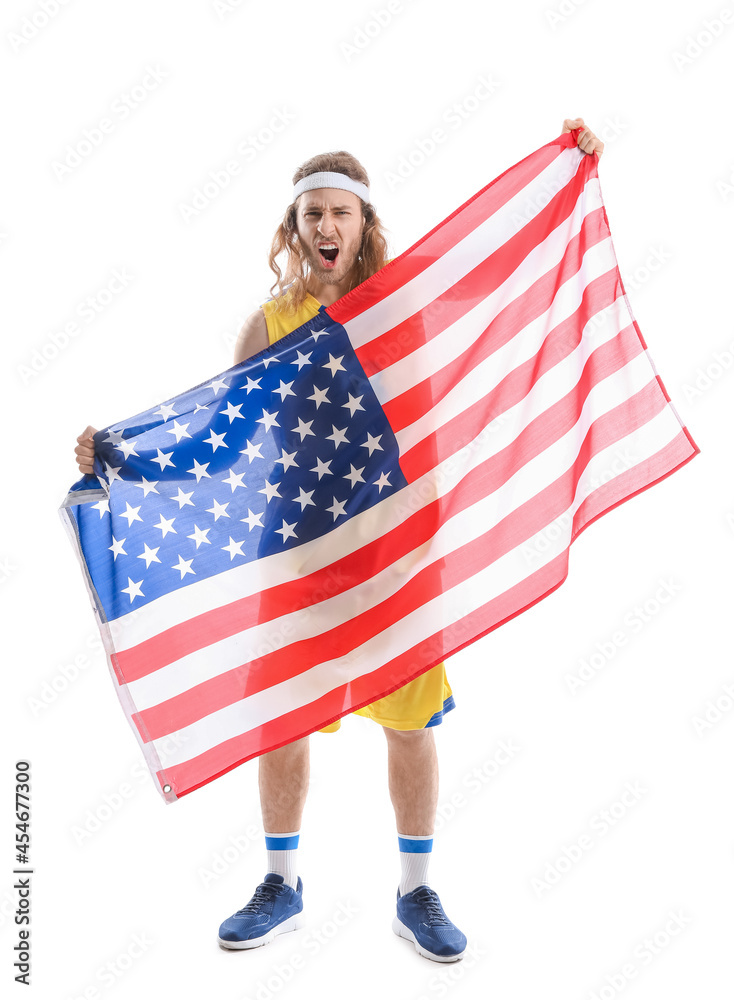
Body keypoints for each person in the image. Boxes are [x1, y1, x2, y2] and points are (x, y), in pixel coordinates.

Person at [74, 117, 604, 963]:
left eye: (341, 214)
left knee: (409, 721)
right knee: (283, 718)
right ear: (296, 228)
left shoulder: (403, 301)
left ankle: (416, 890)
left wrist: (566, 174)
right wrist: (123, 456)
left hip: (392, 550)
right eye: (312, 214)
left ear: (364, 225)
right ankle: (281, 883)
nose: (327, 228)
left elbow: (496, 282)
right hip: (301, 554)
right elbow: (220, 438)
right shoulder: (273, 321)